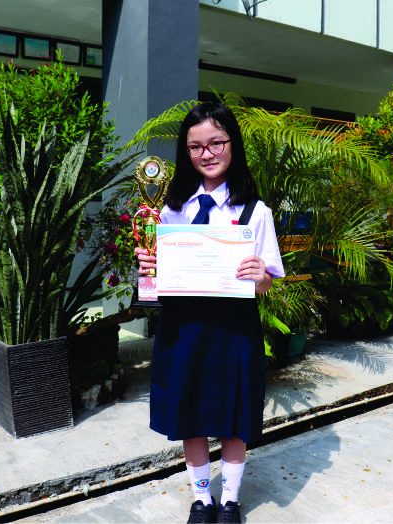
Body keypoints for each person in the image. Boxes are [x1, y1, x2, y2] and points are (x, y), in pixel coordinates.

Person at [135, 102, 284, 523]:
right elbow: (158, 274)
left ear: (232, 144)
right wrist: (149, 268)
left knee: (235, 415)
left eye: (216, 142)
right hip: (183, 328)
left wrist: (259, 275)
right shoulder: (171, 209)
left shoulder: (255, 212)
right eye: (196, 146)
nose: (207, 153)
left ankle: (230, 500)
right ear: (186, 153)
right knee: (191, 413)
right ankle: (202, 500)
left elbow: (267, 281)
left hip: (234, 331)